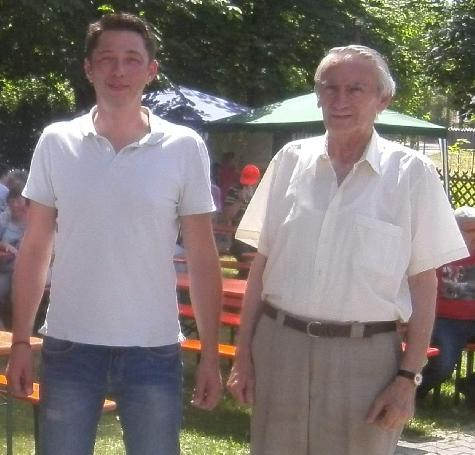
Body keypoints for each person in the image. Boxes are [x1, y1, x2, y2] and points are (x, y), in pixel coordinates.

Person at [226, 45, 467, 455]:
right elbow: (260, 266)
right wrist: (242, 356)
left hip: (366, 361)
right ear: (318, 94)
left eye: (356, 89)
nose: (340, 100)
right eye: (329, 87)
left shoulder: (411, 174)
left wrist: (407, 377)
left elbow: (426, 285)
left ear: (383, 99)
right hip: (280, 348)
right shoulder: (289, 161)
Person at [7, 12, 222, 455]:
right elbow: (35, 247)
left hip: (154, 349)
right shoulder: (56, 141)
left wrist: (212, 353)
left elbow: (202, 256)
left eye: (131, 59)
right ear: (89, 68)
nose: (118, 71)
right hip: (69, 347)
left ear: (151, 70)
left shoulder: (183, 147)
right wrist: (24, 341)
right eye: (107, 59)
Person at [417, 205, 475, 405]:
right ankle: (413, 393)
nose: (472, 236)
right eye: (468, 230)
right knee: (443, 365)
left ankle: (471, 386)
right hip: (446, 321)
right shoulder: (438, 253)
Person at [0, 187, 28, 327]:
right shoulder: (4, 218)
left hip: (26, 270)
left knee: (19, 296)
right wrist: (4, 245)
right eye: (12, 201)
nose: (16, 204)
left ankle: (21, 335)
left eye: (19, 200)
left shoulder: (34, 218)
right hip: (5, 268)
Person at [224, 164, 261, 264]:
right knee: (244, 251)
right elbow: (227, 216)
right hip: (239, 235)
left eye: (251, 184)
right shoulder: (234, 191)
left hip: (258, 236)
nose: (248, 187)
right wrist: (239, 201)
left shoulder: (264, 193)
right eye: (245, 184)